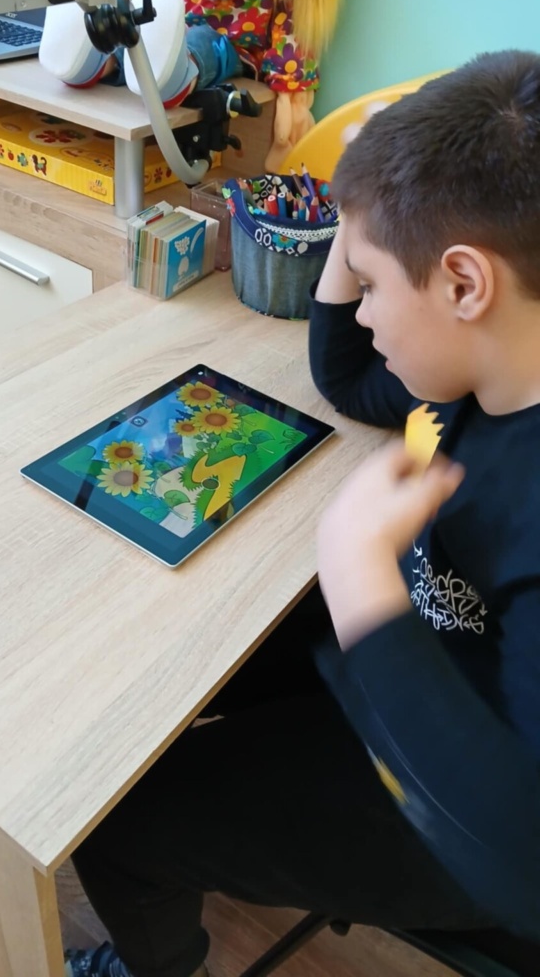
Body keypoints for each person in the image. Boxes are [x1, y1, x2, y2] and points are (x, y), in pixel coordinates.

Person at [64, 50, 540, 977]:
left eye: (371, 286)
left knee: (121, 829)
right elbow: (350, 378)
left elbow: (521, 858)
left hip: (461, 794)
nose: (360, 312)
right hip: (428, 652)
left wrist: (363, 588)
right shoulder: (491, 362)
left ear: (464, 284)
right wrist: (363, 223)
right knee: (176, 661)